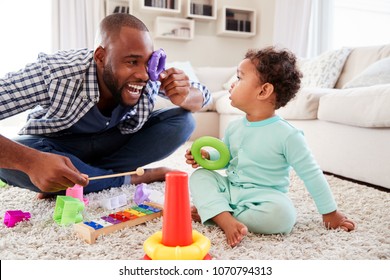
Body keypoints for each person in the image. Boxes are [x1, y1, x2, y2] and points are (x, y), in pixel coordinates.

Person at [0, 13, 211, 197]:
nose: (144, 74)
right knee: (13, 160)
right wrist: (30, 162)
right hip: (57, 146)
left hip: (111, 144)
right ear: (101, 57)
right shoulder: (56, 73)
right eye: (131, 62)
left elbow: (204, 95)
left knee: (183, 122)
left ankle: (88, 179)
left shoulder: (150, 75)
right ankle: (130, 178)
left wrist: (183, 95)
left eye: (147, 62)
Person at [185, 46, 355, 247]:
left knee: (283, 217)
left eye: (239, 78)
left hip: (264, 196)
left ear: (264, 90)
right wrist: (207, 155)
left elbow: (312, 174)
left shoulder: (288, 135)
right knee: (200, 177)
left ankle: (216, 212)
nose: (231, 84)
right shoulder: (234, 127)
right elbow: (226, 158)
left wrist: (330, 212)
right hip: (231, 188)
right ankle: (223, 217)